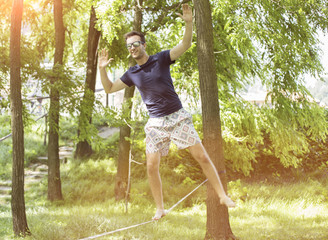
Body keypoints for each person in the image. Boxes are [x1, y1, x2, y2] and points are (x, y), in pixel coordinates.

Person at [98, 4, 235, 220]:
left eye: (135, 44)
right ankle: (160, 208)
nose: (132, 48)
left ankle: (222, 196)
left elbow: (185, 44)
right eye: (129, 46)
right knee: (151, 166)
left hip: (177, 116)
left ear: (143, 44)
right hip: (155, 123)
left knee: (203, 157)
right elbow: (108, 88)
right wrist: (102, 69)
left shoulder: (160, 59)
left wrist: (189, 24)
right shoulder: (132, 73)